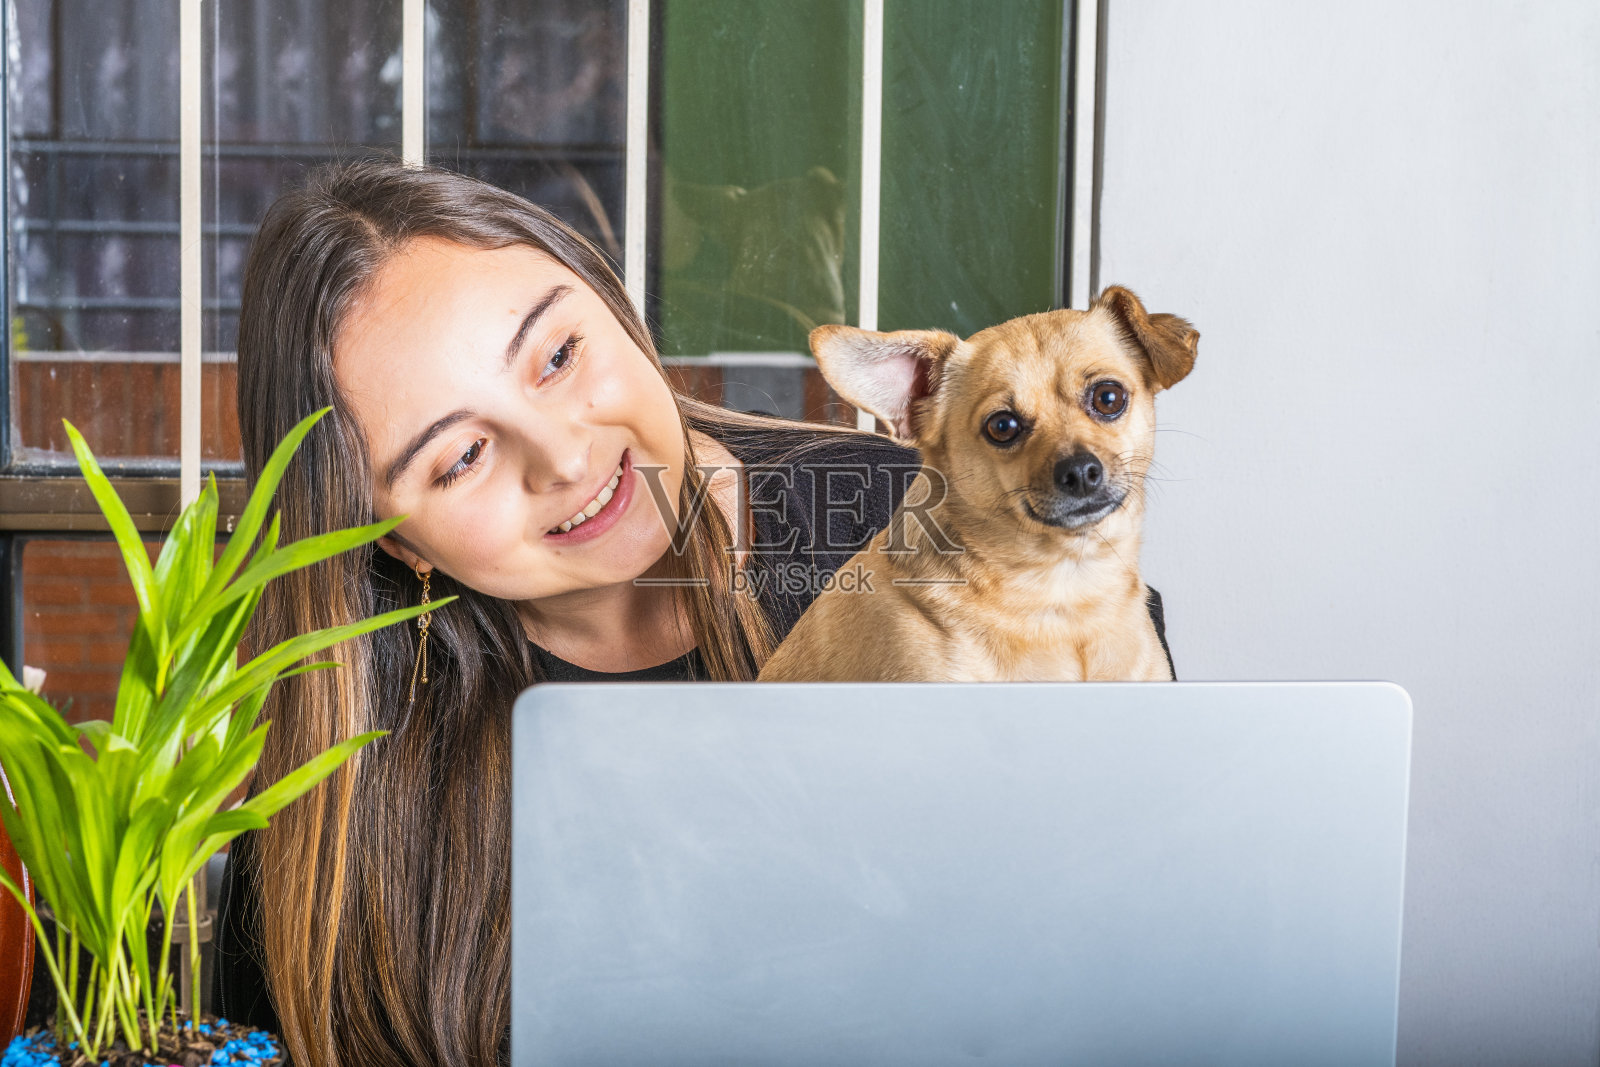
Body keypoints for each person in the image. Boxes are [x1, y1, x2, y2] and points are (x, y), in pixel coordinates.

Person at [212, 159, 1174, 1067]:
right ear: (395, 541)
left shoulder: (933, 516)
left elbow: (1140, 911)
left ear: (616, 308)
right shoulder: (332, 779)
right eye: (460, 457)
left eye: (558, 355)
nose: (565, 456)